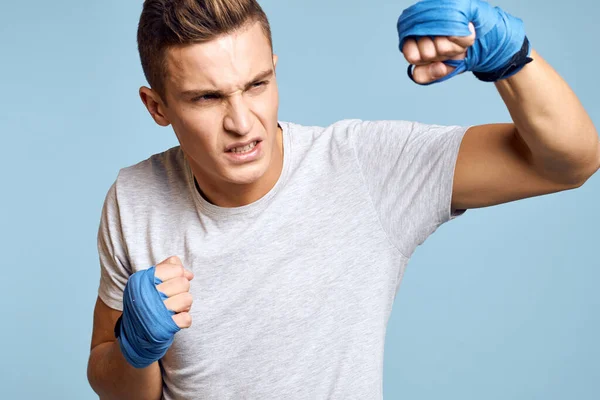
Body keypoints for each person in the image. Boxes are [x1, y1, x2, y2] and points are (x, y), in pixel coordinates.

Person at [87, 0, 599, 399]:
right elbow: (115, 386)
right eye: (208, 97)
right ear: (157, 106)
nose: (242, 122)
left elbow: (569, 162)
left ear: (273, 69)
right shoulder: (134, 199)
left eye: (257, 84)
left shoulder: (363, 167)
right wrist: (133, 348)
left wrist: (512, 60)